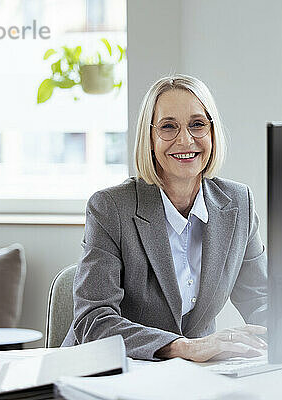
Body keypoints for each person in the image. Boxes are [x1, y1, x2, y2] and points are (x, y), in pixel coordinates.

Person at [62, 74, 267, 361]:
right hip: (111, 371)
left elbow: (262, 300)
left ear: (212, 132)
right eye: (168, 127)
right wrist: (183, 347)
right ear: (150, 138)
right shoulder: (111, 208)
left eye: (197, 124)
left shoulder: (238, 203)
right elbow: (93, 321)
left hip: (193, 378)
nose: (185, 140)